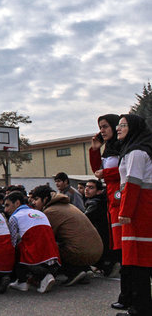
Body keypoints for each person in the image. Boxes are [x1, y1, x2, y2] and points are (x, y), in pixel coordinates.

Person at [115, 114, 152, 316]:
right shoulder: (135, 150)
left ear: (134, 127)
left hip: (139, 212)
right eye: (118, 124)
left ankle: (141, 309)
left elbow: (133, 183)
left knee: (139, 262)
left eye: (123, 125)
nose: (118, 128)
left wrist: (125, 211)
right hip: (141, 209)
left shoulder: (136, 152)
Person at [30, 185, 102, 286]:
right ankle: (84, 269)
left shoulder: (50, 212)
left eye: (36, 199)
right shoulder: (67, 206)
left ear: (45, 199)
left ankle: (74, 272)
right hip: (96, 251)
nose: (33, 203)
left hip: (82, 252)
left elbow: (45, 239)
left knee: (49, 247)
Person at [89, 114, 126, 309]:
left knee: (125, 248)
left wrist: (107, 174)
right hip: (112, 200)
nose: (102, 130)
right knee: (119, 247)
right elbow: (97, 171)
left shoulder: (125, 147)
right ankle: (126, 293)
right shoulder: (108, 149)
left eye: (105, 126)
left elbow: (127, 170)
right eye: (100, 127)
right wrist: (95, 150)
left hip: (121, 199)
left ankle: (129, 293)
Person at [3, 191, 60, 294]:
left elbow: (12, 242)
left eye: (7, 205)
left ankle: (24, 280)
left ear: (17, 203)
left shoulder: (15, 217)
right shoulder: (40, 213)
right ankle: (42, 276)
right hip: (54, 257)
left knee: (15, 248)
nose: (5, 210)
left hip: (35, 259)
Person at [84, 179, 115, 276]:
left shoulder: (94, 202)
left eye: (91, 187)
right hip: (104, 234)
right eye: (86, 187)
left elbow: (85, 218)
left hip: (98, 235)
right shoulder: (101, 201)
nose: (87, 189)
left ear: (99, 191)